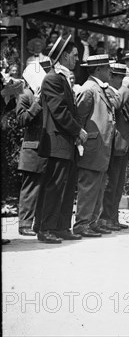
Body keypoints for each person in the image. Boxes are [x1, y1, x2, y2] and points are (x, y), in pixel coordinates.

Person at [36, 36, 88, 243]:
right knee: (55, 186)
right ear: (65, 56)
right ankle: (46, 228)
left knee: (66, 186)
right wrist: (78, 131)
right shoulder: (52, 79)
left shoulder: (61, 78)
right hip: (58, 142)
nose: (77, 60)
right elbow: (60, 112)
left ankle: (61, 227)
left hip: (66, 142)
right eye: (75, 56)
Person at [72, 55, 116, 238]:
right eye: (107, 68)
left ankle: (92, 221)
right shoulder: (89, 89)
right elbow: (78, 119)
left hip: (99, 146)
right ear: (98, 70)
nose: (110, 72)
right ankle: (82, 224)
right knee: (89, 186)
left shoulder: (97, 88)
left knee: (97, 186)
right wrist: (80, 140)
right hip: (92, 145)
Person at [15, 60, 52, 236]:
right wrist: (36, 104)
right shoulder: (25, 95)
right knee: (31, 188)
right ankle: (24, 224)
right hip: (32, 148)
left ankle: (38, 224)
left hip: (46, 148)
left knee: (44, 187)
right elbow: (21, 120)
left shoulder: (48, 94)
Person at [99, 63, 129, 231]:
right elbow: (115, 106)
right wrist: (125, 90)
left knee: (119, 183)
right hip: (113, 144)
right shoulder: (108, 92)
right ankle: (105, 218)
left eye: (123, 77)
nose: (122, 81)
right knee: (111, 183)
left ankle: (113, 217)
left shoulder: (118, 93)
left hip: (123, 144)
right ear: (111, 76)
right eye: (118, 77)